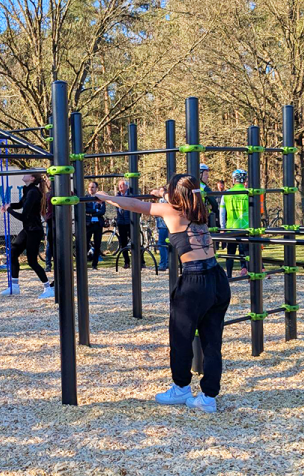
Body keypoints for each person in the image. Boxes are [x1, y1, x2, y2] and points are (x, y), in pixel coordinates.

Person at [97, 174, 231, 413]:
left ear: (175, 196)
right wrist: (163, 193)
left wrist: (107, 198)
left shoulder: (171, 211)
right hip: (217, 278)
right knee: (212, 341)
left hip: (194, 282)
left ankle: (181, 388)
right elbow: (175, 197)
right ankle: (209, 397)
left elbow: (134, 205)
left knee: (180, 337)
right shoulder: (199, 208)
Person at [0, 173, 54, 298]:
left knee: (32, 261)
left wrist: (9, 210)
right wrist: (9, 205)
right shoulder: (28, 190)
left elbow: (23, 216)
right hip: (28, 229)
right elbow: (20, 204)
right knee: (13, 252)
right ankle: (14, 286)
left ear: (32, 178)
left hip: (34, 230)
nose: (24, 175)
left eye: (27, 174)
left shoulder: (34, 193)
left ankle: (48, 288)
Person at [220, 169, 250, 277]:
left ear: (233, 180)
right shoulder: (248, 193)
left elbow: (222, 212)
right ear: (245, 180)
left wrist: (222, 227)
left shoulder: (227, 194)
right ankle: (250, 275)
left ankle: (229, 275)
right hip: (245, 227)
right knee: (247, 252)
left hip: (231, 227)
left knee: (230, 253)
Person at [85, 182, 106, 269]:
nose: (91, 188)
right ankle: (84, 261)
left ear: (96, 188)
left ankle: (95, 264)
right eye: (89, 187)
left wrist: (92, 211)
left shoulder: (100, 197)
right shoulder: (85, 198)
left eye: (93, 187)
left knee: (97, 244)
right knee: (85, 243)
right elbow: (85, 209)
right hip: (88, 223)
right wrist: (96, 210)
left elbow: (103, 211)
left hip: (98, 224)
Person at [115, 180, 134, 269]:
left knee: (135, 240)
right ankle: (126, 262)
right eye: (119, 185)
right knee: (123, 242)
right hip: (121, 222)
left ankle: (140, 260)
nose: (120, 187)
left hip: (130, 222)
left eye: (122, 185)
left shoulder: (131, 195)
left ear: (127, 186)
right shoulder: (117, 196)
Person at [151, 186, 170, 271]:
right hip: (166, 225)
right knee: (168, 244)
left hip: (163, 226)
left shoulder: (162, 200)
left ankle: (163, 264)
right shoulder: (168, 200)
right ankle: (168, 262)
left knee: (161, 244)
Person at [43, 184, 55, 272]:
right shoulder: (47, 195)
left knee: (60, 243)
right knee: (50, 243)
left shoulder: (64, 192)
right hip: (51, 219)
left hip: (61, 220)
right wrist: (46, 218)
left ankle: (52, 264)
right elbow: (42, 209)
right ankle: (48, 264)